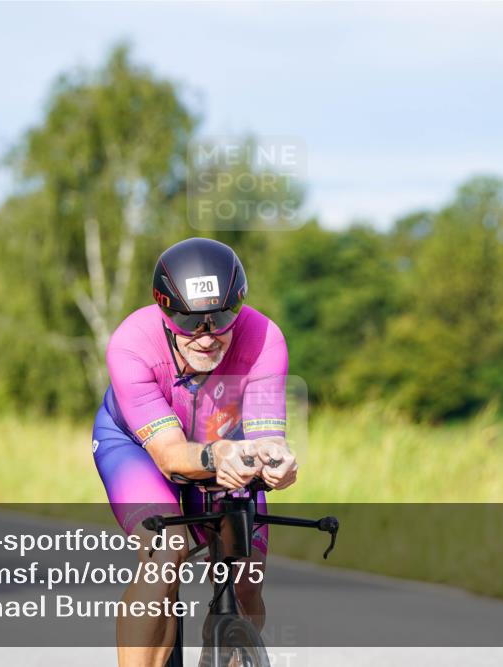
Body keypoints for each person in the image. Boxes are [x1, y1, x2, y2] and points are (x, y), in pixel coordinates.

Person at [92, 237, 298, 667]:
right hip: (136, 448)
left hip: (223, 443)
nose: (206, 337)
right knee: (166, 553)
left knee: (244, 576)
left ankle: (223, 648)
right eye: (190, 322)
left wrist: (279, 461)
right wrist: (218, 456)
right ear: (165, 311)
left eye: (221, 317)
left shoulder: (264, 337)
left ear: (238, 306)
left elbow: (266, 436)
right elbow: (169, 455)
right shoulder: (131, 343)